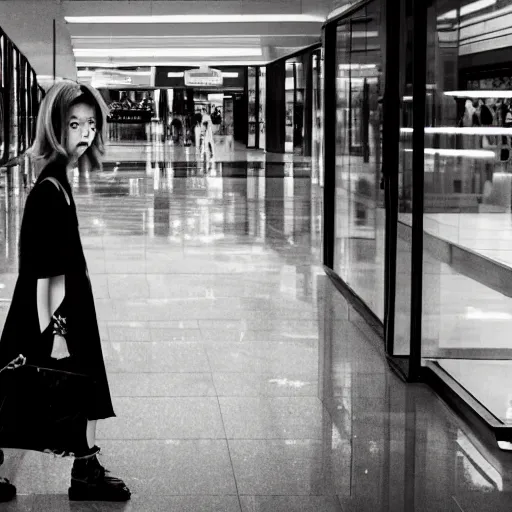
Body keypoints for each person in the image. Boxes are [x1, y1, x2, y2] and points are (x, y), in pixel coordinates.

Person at [0, 81, 131, 502]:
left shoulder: (57, 181)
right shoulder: (50, 190)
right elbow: (46, 270)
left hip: (59, 306)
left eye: (90, 124)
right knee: (52, 386)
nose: (84, 134)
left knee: (20, 386)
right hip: (55, 311)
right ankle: (86, 473)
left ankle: (86, 469)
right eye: (74, 124)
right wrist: (57, 333)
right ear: (55, 127)